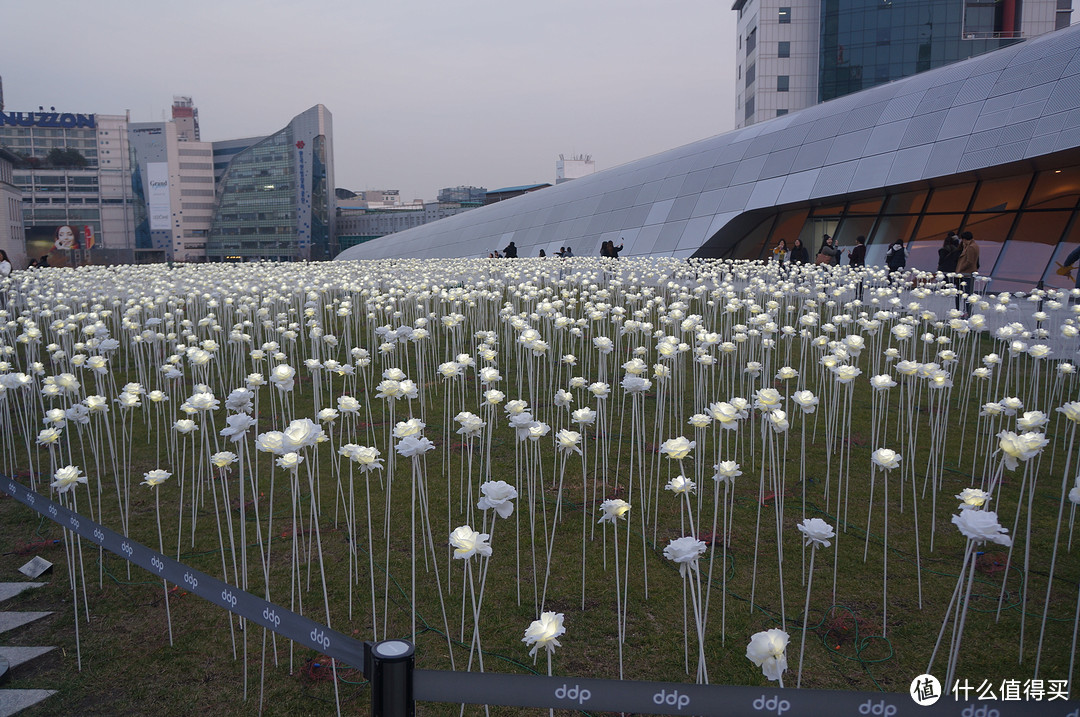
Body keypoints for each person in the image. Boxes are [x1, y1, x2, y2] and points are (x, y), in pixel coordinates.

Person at [954, 231, 980, 316]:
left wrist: (960, 269)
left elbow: (969, 261)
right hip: (968, 273)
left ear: (964, 239)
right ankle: (967, 311)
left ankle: (968, 312)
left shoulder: (971, 247)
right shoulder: (973, 246)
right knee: (967, 293)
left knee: (967, 293)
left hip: (967, 273)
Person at [937, 233, 963, 309]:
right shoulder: (957, 252)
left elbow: (940, 261)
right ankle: (957, 308)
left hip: (944, 271)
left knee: (945, 288)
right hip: (954, 271)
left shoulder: (943, 250)